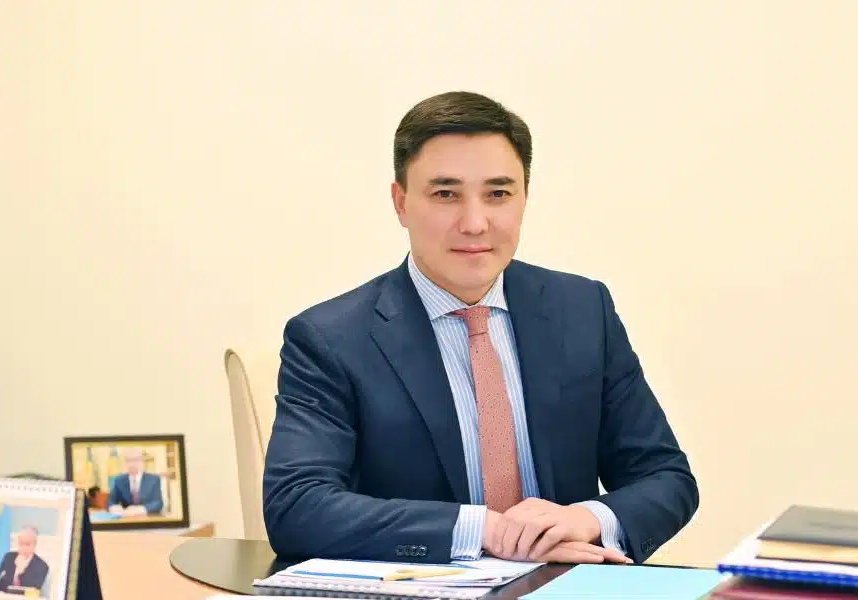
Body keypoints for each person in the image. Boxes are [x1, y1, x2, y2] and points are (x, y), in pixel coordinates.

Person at [263, 91, 699, 565]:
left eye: (498, 194)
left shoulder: (583, 310)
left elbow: (665, 477)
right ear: (401, 202)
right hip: (418, 598)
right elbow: (297, 505)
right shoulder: (330, 338)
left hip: (563, 590)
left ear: (524, 199)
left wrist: (588, 519)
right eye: (445, 194)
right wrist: (485, 530)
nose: (474, 223)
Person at [0, 526, 49, 595]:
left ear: (34, 545)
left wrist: (18, 575)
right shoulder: (8, 557)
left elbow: (33, 592)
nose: (23, 547)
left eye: (27, 544)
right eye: (21, 543)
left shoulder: (42, 566)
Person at [108, 449, 164, 516]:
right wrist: (113, 507)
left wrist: (141, 509)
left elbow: (158, 503)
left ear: (142, 461)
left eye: (136, 460)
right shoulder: (119, 480)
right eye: (128, 460)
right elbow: (111, 501)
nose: (132, 464)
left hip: (148, 518)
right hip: (126, 518)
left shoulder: (153, 479)